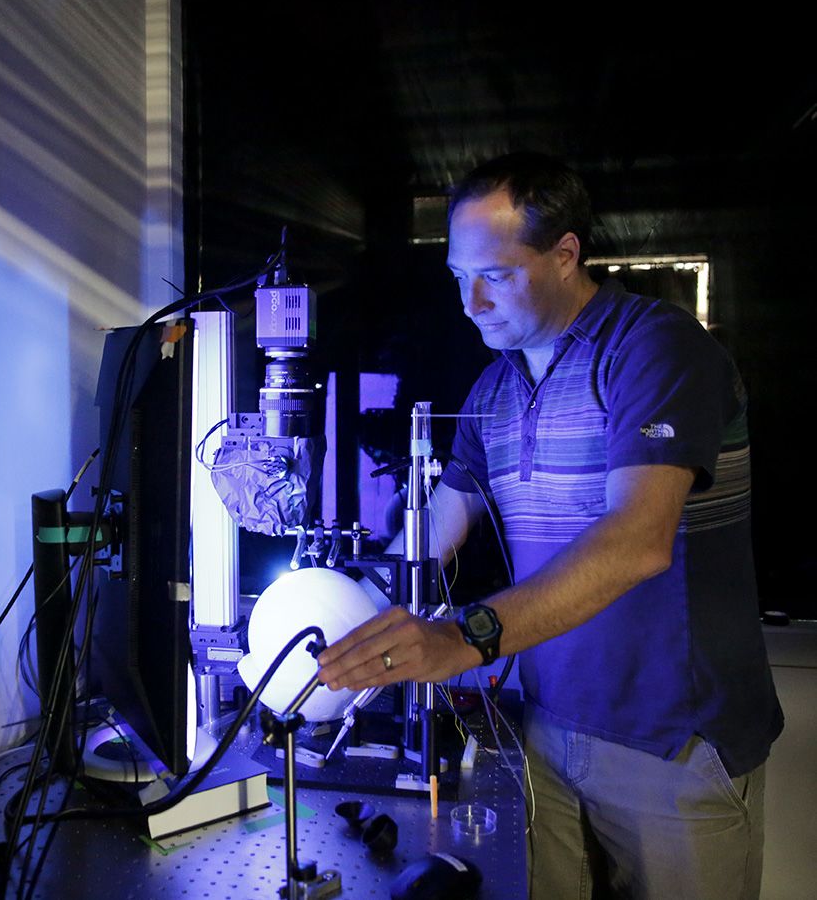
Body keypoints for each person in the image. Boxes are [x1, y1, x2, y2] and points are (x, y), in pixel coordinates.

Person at [317, 152, 784, 899]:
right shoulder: (495, 389)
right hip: (545, 732)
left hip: (670, 743)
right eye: (457, 276)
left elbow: (638, 542)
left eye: (496, 275)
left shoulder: (655, 350)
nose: (471, 302)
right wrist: (334, 608)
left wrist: (460, 637)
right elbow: (433, 532)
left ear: (566, 254)